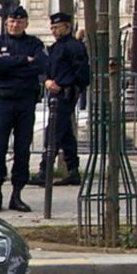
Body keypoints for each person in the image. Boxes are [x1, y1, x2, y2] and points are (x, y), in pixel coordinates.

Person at [0, 6, 48, 213]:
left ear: (26, 23)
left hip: (25, 102)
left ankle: (17, 195)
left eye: (19, 21)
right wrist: (22, 61)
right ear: (6, 22)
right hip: (2, 101)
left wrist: (9, 64)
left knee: (22, 149)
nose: (15, 24)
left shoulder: (34, 43)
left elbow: (39, 66)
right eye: (12, 21)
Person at [33, 12, 91, 187]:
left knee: (53, 132)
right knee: (65, 135)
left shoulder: (74, 46)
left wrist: (76, 88)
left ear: (67, 26)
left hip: (66, 93)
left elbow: (83, 72)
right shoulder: (55, 47)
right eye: (52, 28)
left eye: (57, 27)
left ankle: (45, 171)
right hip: (56, 93)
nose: (54, 31)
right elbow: (46, 69)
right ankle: (73, 170)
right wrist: (47, 80)